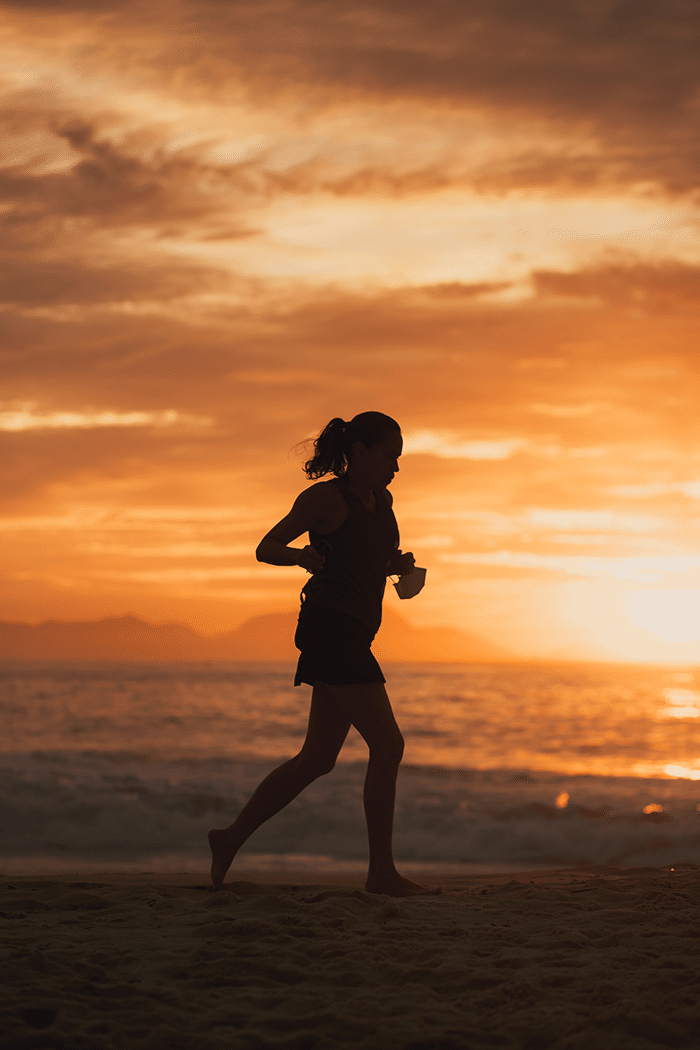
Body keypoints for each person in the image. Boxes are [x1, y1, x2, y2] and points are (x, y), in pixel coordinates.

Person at [208, 411, 428, 896]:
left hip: (355, 633)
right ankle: (381, 873)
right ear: (361, 451)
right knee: (389, 746)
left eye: (399, 457)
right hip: (332, 631)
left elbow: (369, 555)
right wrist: (301, 557)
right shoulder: (325, 498)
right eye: (390, 455)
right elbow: (268, 546)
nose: (395, 466)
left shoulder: (382, 502)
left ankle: (227, 839)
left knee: (316, 759)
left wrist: (397, 565)